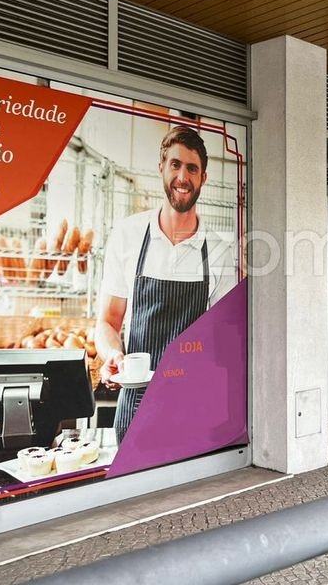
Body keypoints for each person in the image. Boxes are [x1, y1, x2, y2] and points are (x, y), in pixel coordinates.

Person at [95, 126, 236, 443]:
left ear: (203, 178)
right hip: (136, 407)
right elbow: (108, 321)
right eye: (175, 164)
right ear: (161, 167)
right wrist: (113, 355)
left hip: (194, 407)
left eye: (192, 168)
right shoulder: (128, 235)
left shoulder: (218, 251)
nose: (183, 177)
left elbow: (225, 340)